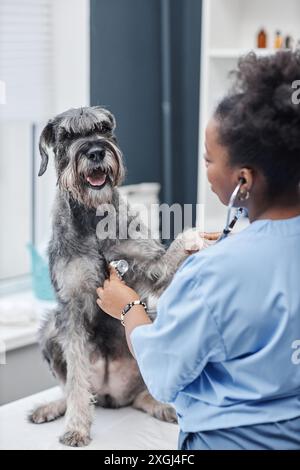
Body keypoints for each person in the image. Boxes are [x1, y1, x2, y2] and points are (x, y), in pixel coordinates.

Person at [96, 51, 300, 450]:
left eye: (209, 159)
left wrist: (128, 308)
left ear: (243, 179)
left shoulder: (213, 272)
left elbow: (163, 373)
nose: (205, 170)